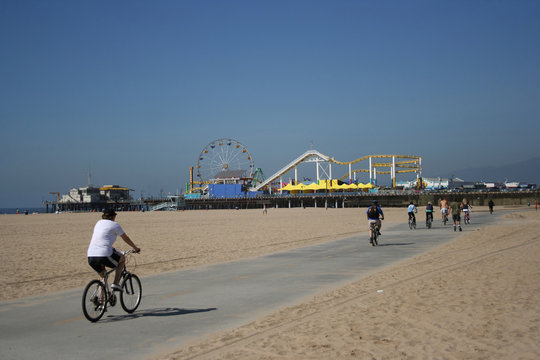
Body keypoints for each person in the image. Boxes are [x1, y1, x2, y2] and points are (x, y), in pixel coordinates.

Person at [87, 209, 140, 291]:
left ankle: (100, 301)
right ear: (113, 217)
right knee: (122, 260)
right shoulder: (115, 225)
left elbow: (102, 239)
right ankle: (116, 283)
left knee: (103, 276)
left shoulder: (98, 223)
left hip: (91, 255)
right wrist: (135, 248)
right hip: (103, 254)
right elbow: (126, 238)